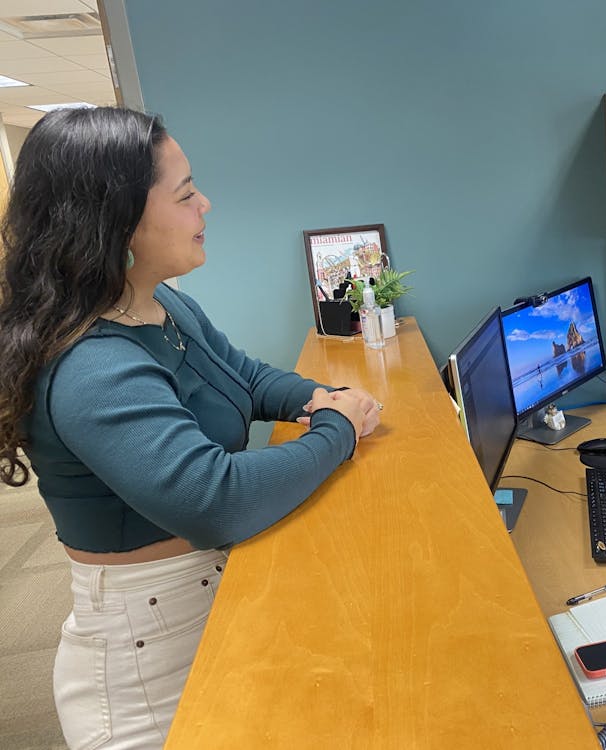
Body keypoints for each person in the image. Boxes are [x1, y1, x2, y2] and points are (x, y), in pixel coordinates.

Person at [0, 106, 381, 748]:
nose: (206, 205)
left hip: (208, 597)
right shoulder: (92, 364)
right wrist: (337, 431)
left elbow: (246, 379)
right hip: (148, 663)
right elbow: (214, 500)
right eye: (184, 195)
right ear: (115, 221)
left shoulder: (160, 306)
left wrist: (323, 396)